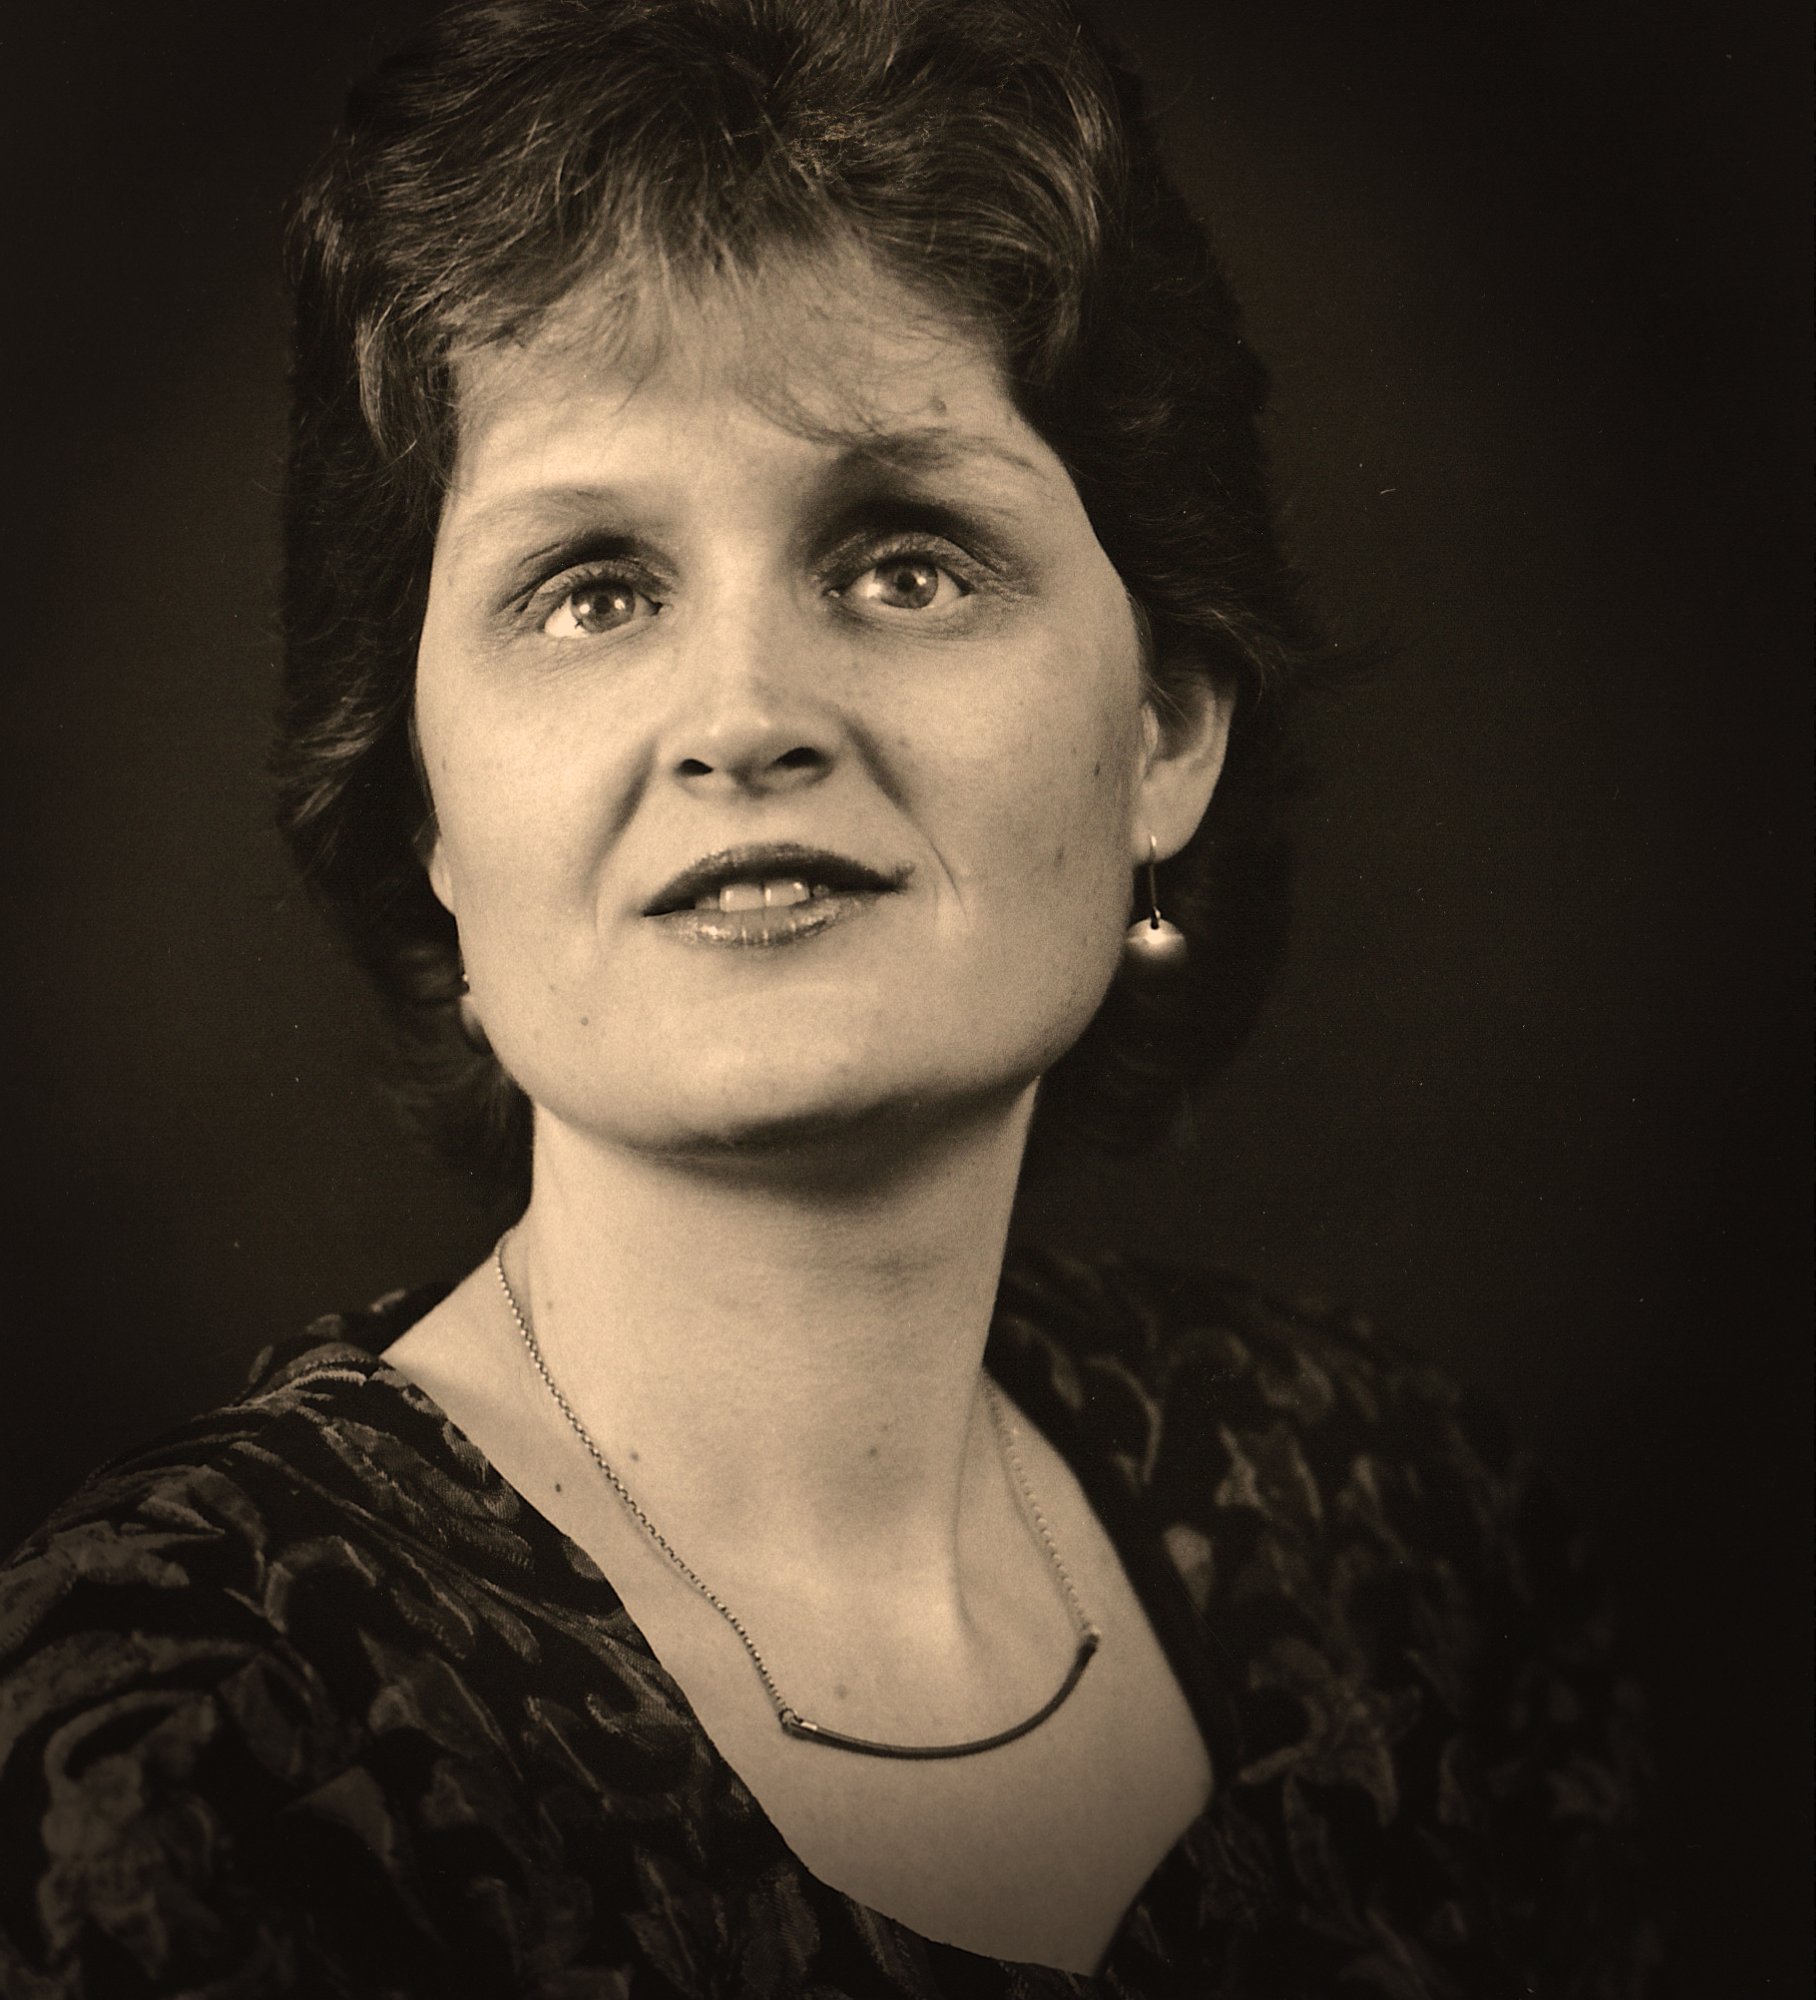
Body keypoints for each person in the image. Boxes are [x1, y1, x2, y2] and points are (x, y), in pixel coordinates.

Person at [0, 0, 1660, 1992]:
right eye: (593, 588)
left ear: (1164, 733)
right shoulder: (181, 1726)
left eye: (902, 563)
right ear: (424, 801)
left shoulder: (1389, 1521)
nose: (745, 719)